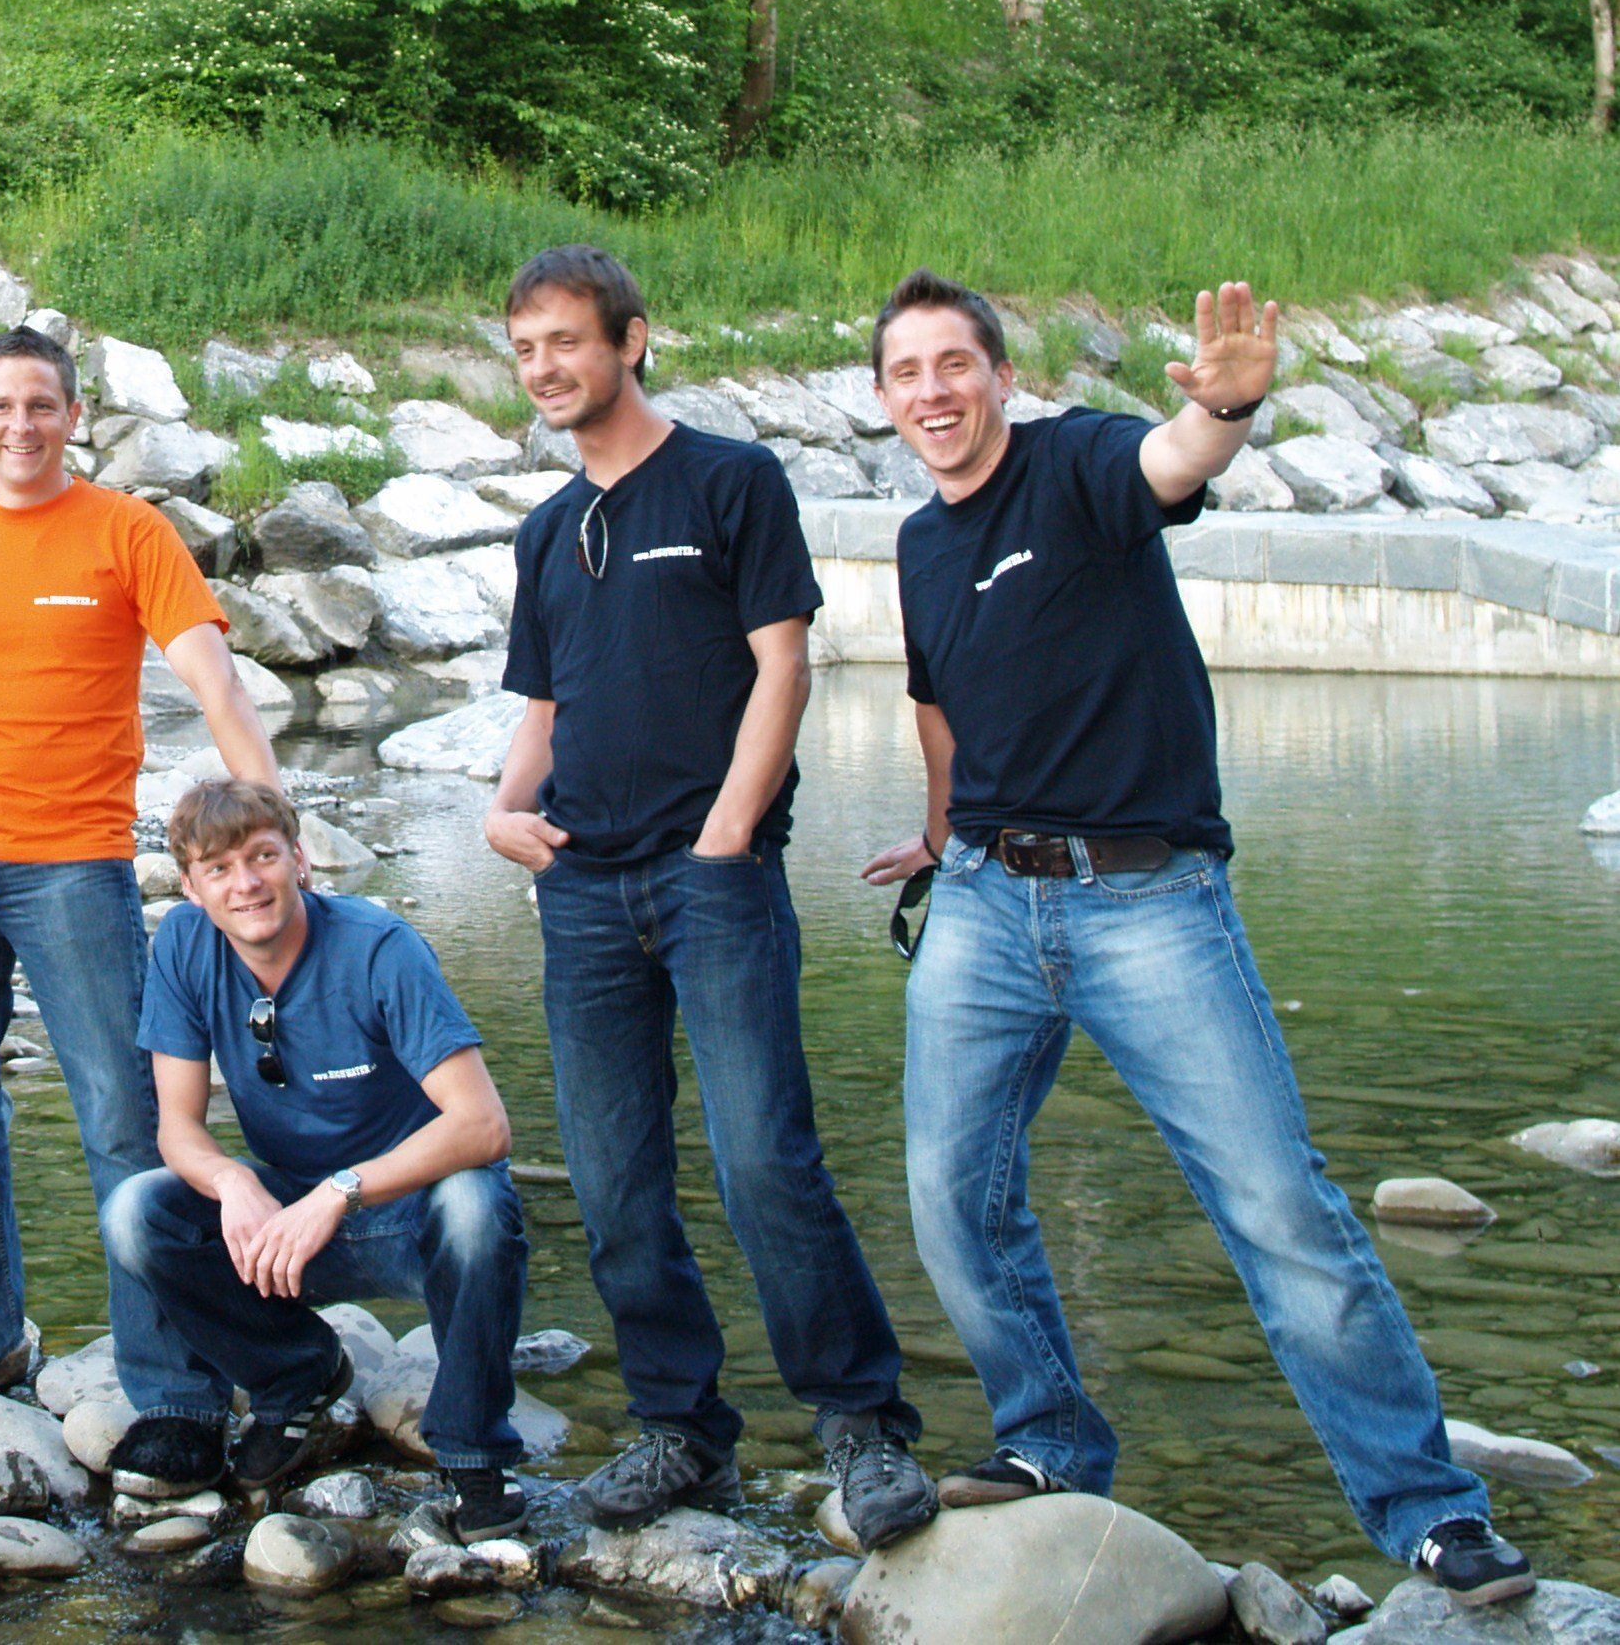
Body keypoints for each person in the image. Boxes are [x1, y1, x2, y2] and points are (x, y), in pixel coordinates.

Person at [860, 270, 1532, 1606]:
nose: (933, 391)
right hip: (986, 897)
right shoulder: (920, 544)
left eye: (954, 364)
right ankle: (1049, 1438)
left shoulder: (1078, 465)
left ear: (1001, 377)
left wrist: (1225, 409)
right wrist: (940, 833)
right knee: (948, 1191)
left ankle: (1428, 1506)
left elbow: (1175, 458)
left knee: (1278, 1204)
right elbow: (940, 704)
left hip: (1147, 897)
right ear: (884, 399)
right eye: (906, 372)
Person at [483, 247, 936, 1550]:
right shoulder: (546, 530)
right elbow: (546, 702)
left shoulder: (732, 479)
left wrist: (727, 836)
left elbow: (783, 665)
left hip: (713, 880)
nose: (546, 368)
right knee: (615, 1179)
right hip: (581, 887)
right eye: (526, 349)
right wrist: (504, 808)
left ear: (632, 339)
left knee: (762, 1159)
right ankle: (680, 1424)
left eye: (567, 340)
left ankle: (860, 1420)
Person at [0, 323, 282, 1480]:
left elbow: (213, 677)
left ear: (74, 414)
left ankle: (175, 1387)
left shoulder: (127, 530)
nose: (20, 425)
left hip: (72, 866)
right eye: (0, 406)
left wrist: (272, 820)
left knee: (124, 1116)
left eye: (40, 404)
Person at [106, 779, 530, 1535]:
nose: (246, 883)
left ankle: (474, 1453)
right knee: (137, 1212)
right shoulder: (183, 943)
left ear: (299, 860)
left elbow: (483, 1126)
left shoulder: (379, 948)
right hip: (288, 1214)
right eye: (219, 868)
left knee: (475, 1205)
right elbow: (177, 1128)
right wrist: (234, 1182)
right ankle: (295, 1376)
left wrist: (337, 1192)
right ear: (191, 888)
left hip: (409, 1212)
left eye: (263, 856)